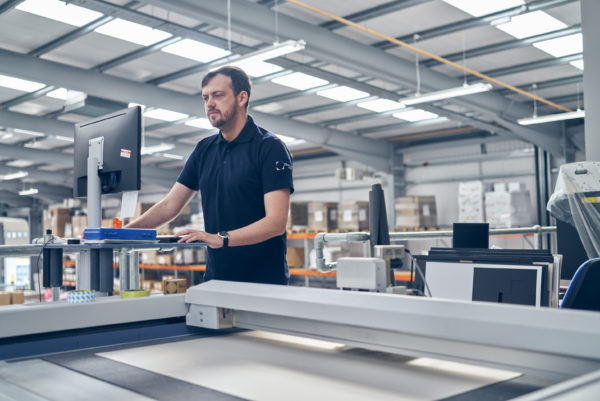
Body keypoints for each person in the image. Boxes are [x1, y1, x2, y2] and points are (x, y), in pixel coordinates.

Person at [127, 66, 294, 285]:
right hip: (217, 279)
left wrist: (220, 239)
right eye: (205, 98)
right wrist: (121, 234)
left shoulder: (269, 147)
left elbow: (276, 222)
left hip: (263, 282)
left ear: (242, 97)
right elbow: (170, 205)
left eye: (218, 95)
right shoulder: (204, 150)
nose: (210, 104)